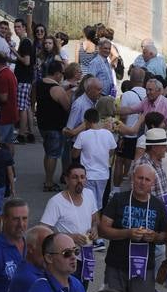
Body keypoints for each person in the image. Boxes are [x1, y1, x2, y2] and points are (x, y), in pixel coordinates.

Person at [99, 164, 167, 292]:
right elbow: (102, 229)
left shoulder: (158, 206)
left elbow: (165, 235)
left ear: (152, 183)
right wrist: (127, 233)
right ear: (132, 178)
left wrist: (154, 237)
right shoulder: (118, 199)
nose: (142, 182)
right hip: (117, 265)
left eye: (147, 179)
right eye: (139, 178)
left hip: (143, 269)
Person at [41, 163, 100, 281]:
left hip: (87, 255)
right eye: (75, 177)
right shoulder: (56, 202)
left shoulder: (89, 194)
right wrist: (70, 237)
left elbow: (95, 219)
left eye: (82, 177)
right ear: (66, 180)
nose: (79, 181)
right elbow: (43, 231)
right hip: (66, 258)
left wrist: (94, 229)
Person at [36, 59, 71, 191]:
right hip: (55, 127)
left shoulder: (39, 83)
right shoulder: (57, 89)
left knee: (48, 152)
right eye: (61, 73)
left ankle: (47, 178)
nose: (62, 75)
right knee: (53, 155)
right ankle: (49, 182)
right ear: (57, 73)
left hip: (42, 124)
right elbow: (67, 107)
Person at [73, 108, 117, 212]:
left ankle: (91, 225)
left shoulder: (83, 135)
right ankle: (98, 224)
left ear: (86, 122)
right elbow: (112, 151)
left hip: (88, 175)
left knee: (89, 203)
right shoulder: (108, 134)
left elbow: (75, 154)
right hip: (103, 175)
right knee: (100, 203)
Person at [113, 67, 146, 188]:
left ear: (131, 79)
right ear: (143, 80)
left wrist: (120, 135)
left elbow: (123, 117)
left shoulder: (127, 95)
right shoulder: (148, 94)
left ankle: (116, 189)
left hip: (127, 133)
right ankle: (127, 186)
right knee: (134, 162)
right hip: (142, 135)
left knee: (119, 161)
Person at [11, 15, 36, 143]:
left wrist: (14, 52)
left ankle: (21, 135)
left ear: (24, 28)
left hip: (23, 80)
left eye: (19, 27)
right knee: (25, 107)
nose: (16, 29)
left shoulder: (25, 42)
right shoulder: (25, 41)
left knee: (21, 108)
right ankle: (29, 133)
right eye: (15, 27)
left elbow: (26, 62)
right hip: (26, 79)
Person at [0, 51, 19, 151]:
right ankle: (9, 164)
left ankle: (2, 164)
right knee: (9, 142)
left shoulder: (3, 76)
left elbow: (3, 97)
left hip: (3, 115)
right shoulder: (9, 73)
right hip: (11, 113)